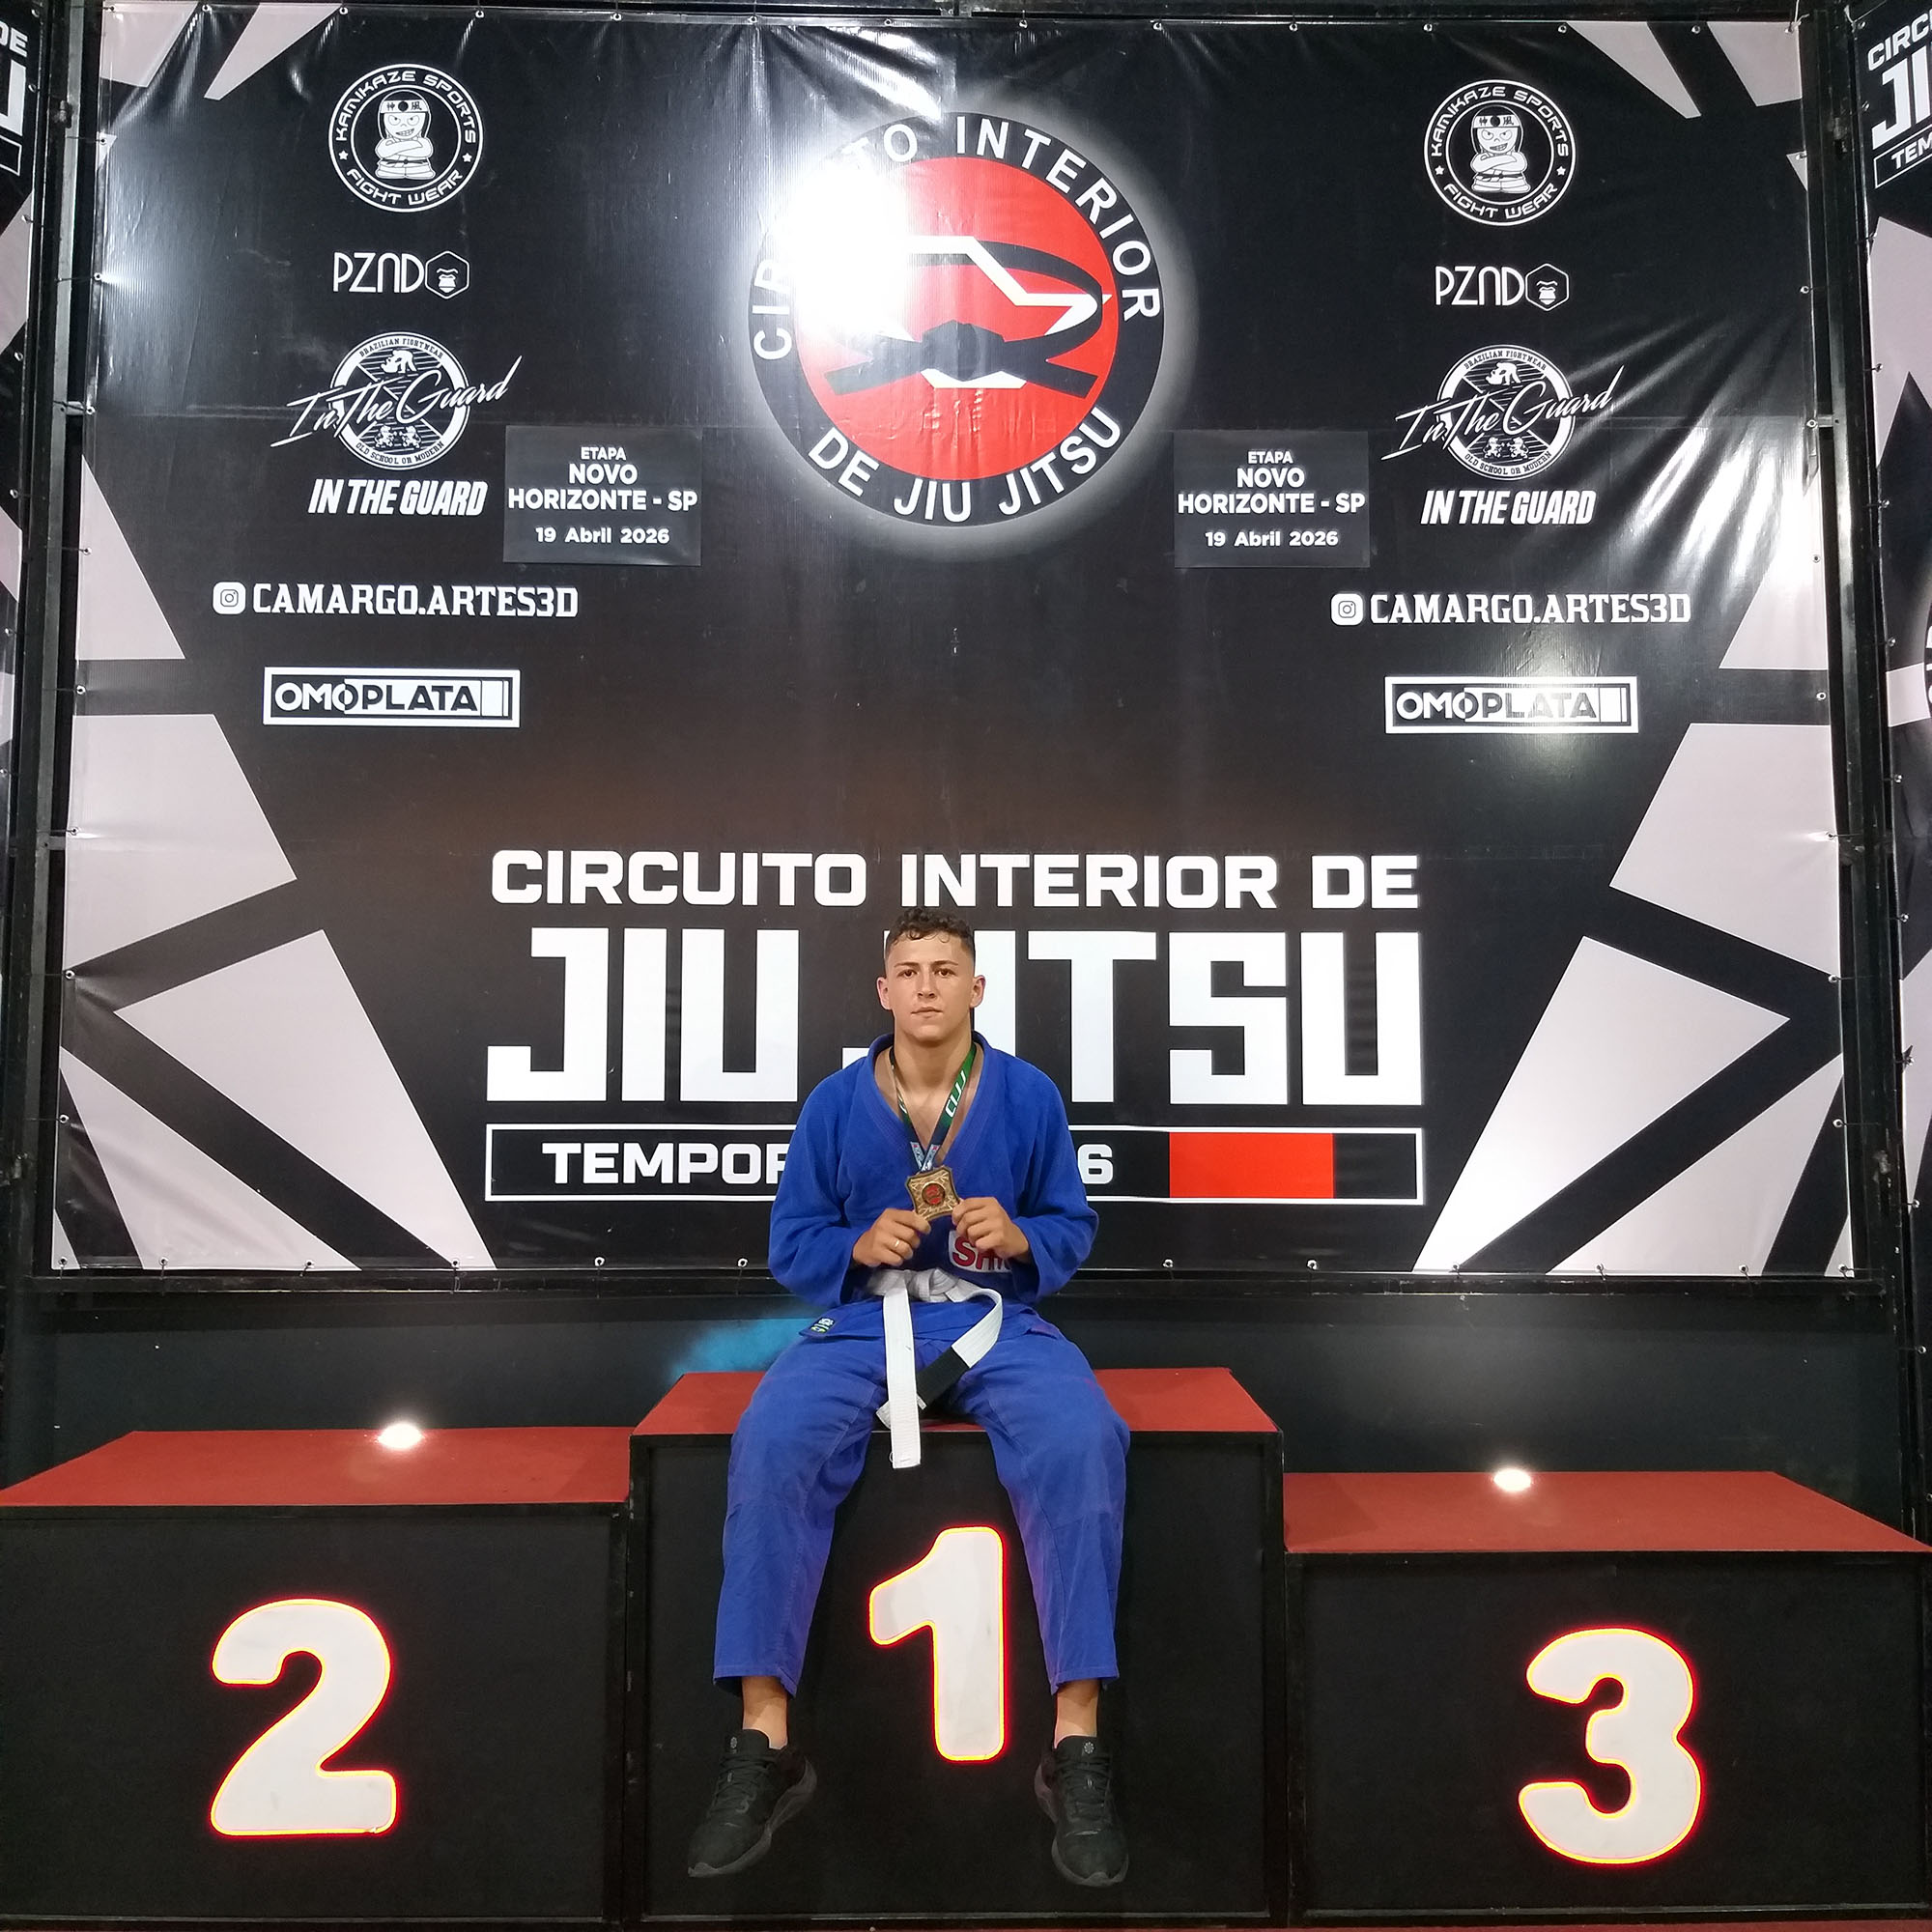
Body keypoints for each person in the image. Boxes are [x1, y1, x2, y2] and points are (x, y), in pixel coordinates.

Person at [688, 910, 1130, 1887]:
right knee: (770, 1441)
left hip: (992, 1317)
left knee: (1083, 1438)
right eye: (909, 970)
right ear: (883, 991)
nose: (927, 985)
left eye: (945, 969)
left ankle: (1077, 1743)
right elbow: (792, 1239)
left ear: (977, 988)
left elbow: (1070, 1221)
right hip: (863, 1322)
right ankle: (764, 1741)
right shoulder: (833, 1102)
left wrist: (1022, 1236)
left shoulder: (1027, 1093)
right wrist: (852, 1245)